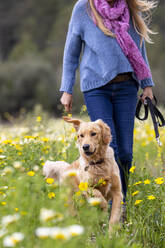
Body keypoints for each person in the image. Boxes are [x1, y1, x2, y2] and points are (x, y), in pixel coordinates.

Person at [60, 0, 157, 202]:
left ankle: (119, 199)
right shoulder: (83, 8)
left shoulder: (128, 7)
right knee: (108, 147)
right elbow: (71, 52)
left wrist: (146, 84)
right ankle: (112, 206)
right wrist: (67, 89)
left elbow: (139, 48)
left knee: (126, 153)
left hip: (127, 88)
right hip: (96, 88)